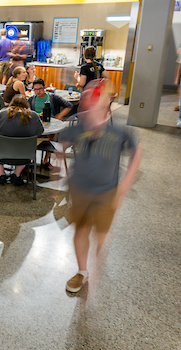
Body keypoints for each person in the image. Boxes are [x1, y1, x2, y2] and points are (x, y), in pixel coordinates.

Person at [59, 85, 142, 293]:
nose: (88, 114)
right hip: (80, 190)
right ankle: (82, 272)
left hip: (107, 192)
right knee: (81, 231)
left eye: (94, 108)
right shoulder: (77, 129)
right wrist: (62, 171)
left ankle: (98, 264)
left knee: (101, 233)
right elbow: (62, 146)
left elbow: (137, 150)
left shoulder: (118, 131)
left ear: (105, 108)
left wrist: (124, 187)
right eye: (86, 109)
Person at [0, 95, 44, 184]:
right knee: (30, 146)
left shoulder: (2, 114)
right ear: (26, 104)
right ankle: (16, 175)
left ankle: (1, 173)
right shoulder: (33, 115)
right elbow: (40, 132)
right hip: (25, 156)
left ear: (12, 103)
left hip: (3, 154)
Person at [27, 79, 72, 170]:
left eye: (40, 89)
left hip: (51, 123)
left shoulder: (53, 97)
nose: (38, 91)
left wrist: (59, 115)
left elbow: (69, 105)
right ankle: (27, 159)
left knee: (53, 136)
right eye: (35, 89)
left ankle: (45, 160)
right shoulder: (31, 99)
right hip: (37, 124)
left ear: (44, 88)